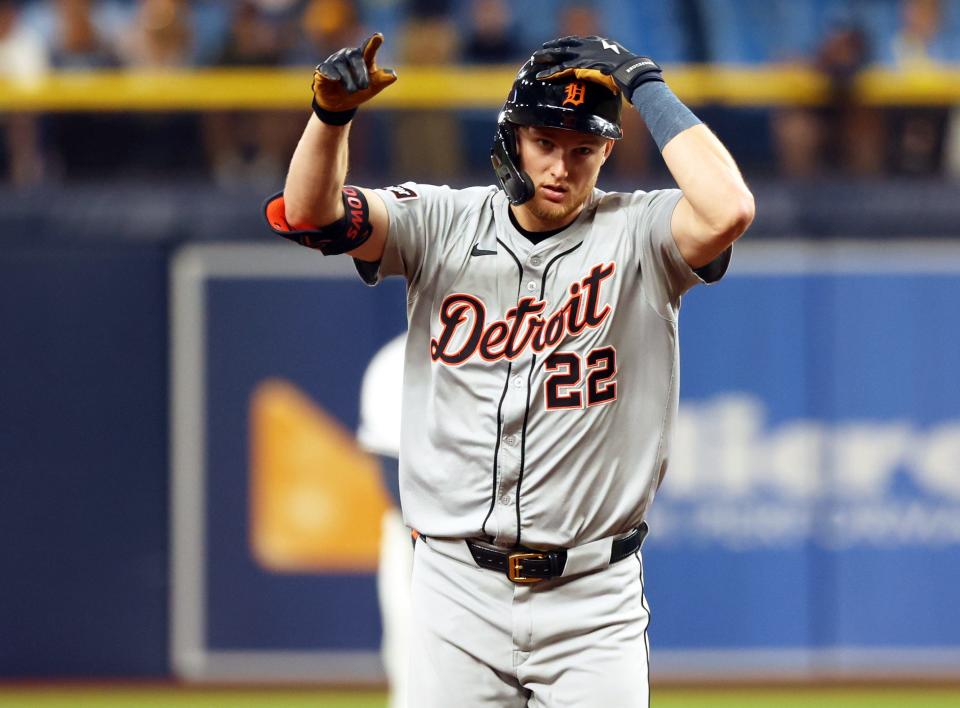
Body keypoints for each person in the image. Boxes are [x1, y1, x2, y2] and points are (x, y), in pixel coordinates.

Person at [264, 32, 754, 707]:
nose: (562, 165)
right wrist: (330, 118)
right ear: (512, 140)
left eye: (583, 148)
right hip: (455, 588)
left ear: (608, 150)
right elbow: (309, 212)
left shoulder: (642, 234)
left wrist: (645, 83)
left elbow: (730, 208)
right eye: (545, 141)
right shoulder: (440, 220)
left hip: (592, 597)